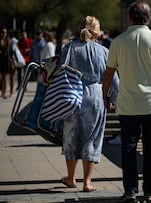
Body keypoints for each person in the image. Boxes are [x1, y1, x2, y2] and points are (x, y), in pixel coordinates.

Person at [102, 1, 151, 202]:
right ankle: (150, 189)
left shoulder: (118, 41)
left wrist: (105, 96)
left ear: (130, 17)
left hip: (127, 105)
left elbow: (108, 75)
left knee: (128, 147)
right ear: (148, 18)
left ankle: (130, 190)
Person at [59, 16, 108, 192]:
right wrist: (115, 99)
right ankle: (87, 182)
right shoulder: (103, 51)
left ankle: (71, 178)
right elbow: (111, 78)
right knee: (91, 138)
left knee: (71, 136)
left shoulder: (70, 48)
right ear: (97, 32)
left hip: (72, 93)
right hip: (95, 96)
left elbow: (60, 70)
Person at [0, 28, 14, 98]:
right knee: (3, 78)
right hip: (2, 62)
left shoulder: (9, 41)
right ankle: (3, 92)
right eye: (2, 32)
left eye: (5, 32)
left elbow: (12, 53)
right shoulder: (0, 41)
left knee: (8, 78)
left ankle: (8, 92)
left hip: (8, 61)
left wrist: (13, 62)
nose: (4, 34)